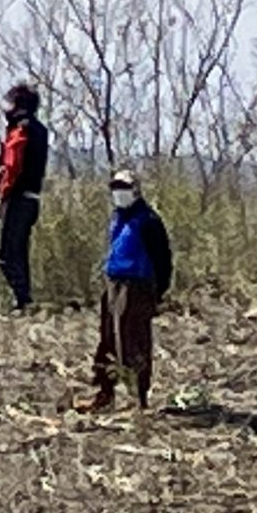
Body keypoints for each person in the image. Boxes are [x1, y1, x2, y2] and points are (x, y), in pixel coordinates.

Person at [85, 170, 175, 411]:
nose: (119, 192)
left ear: (135, 189)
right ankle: (105, 392)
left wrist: (158, 292)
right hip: (113, 282)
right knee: (107, 337)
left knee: (133, 338)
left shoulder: (149, 221)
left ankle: (139, 396)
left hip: (138, 285)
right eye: (115, 187)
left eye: (123, 187)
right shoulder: (117, 217)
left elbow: (163, 259)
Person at [0, 83, 50, 311]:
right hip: (33, 199)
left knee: (6, 255)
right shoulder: (40, 130)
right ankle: (24, 301)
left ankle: (23, 300)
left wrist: (1, 197)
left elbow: (12, 167)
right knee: (20, 252)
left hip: (18, 199)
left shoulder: (21, 130)